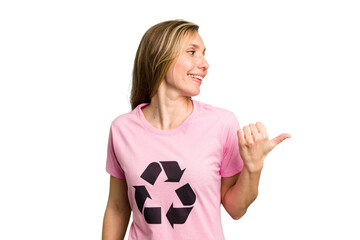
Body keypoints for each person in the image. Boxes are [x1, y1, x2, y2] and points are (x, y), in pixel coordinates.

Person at [102, 19, 291, 240]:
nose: (205, 64)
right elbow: (117, 208)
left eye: (203, 53)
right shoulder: (122, 129)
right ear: (159, 57)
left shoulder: (221, 123)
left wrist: (254, 167)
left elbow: (236, 209)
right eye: (192, 52)